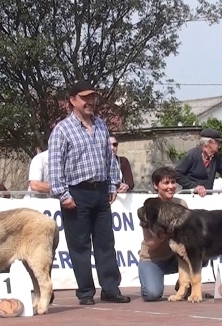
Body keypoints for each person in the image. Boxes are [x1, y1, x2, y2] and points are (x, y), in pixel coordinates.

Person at [48, 79, 130, 305]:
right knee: (80, 246)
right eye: (85, 98)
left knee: (106, 243)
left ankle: (111, 289)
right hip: (76, 192)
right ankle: (85, 293)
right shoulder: (62, 130)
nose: (90, 102)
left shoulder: (102, 125)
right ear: (72, 101)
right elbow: (55, 165)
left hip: (101, 190)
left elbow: (110, 158)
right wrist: (63, 195)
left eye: (92, 98)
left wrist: (113, 183)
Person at [138, 166, 187, 301]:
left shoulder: (181, 204)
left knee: (200, 253)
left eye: (173, 182)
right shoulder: (148, 208)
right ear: (155, 185)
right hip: (153, 259)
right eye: (166, 183)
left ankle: (184, 284)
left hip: (175, 257)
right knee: (152, 294)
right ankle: (147, 277)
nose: (171, 186)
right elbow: (151, 244)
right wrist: (166, 230)